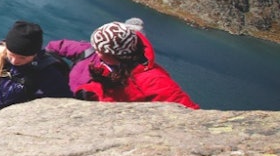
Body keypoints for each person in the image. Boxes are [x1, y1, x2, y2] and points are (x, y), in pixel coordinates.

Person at [47, 20, 198, 108]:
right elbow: (57, 46)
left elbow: (187, 110)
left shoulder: (152, 79)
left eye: (101, 51)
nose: (96, 53)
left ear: (118, 55)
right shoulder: (90, 51)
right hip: (71, 105)